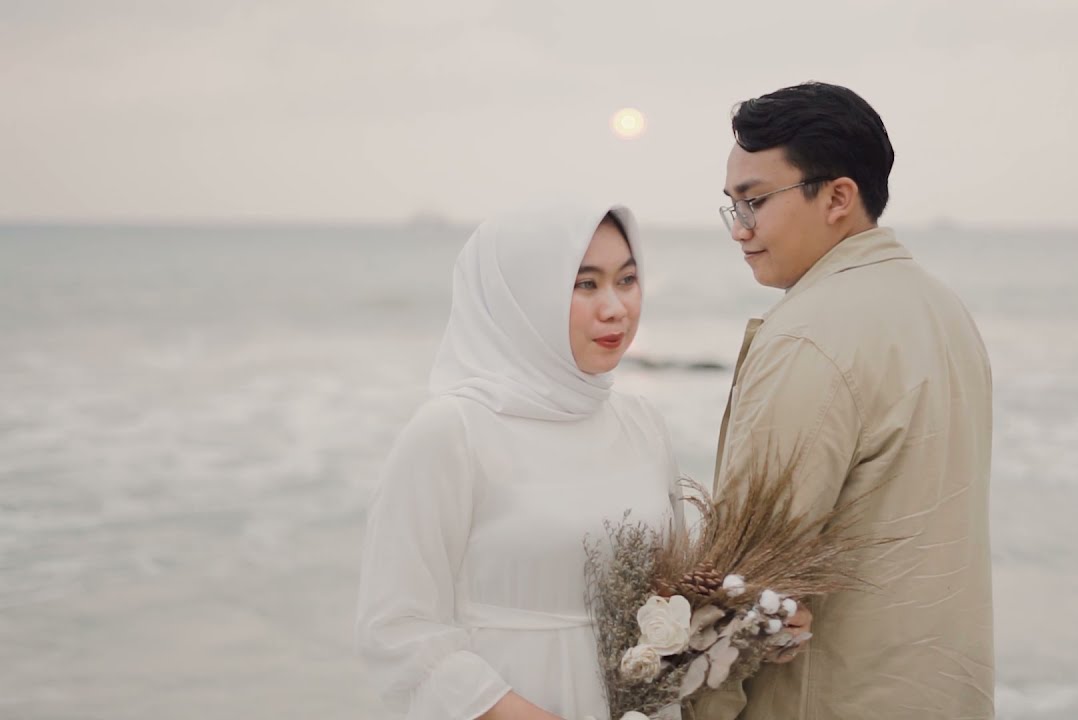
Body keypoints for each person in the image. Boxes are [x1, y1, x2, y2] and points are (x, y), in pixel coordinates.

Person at [691, 82, 995, 719]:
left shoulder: (809, 336)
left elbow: (749, 575)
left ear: (837, 197)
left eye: (754, 202)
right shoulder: (943, 309)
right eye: (732, 206)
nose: (739, 229)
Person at [356, 204, 682, 720]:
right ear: (522, 296)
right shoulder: (453, 431)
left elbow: (675, 590)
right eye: (585, 284)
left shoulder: (642, 423)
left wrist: (762, 620)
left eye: (627, 279)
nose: (616, 307)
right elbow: (396, 629)